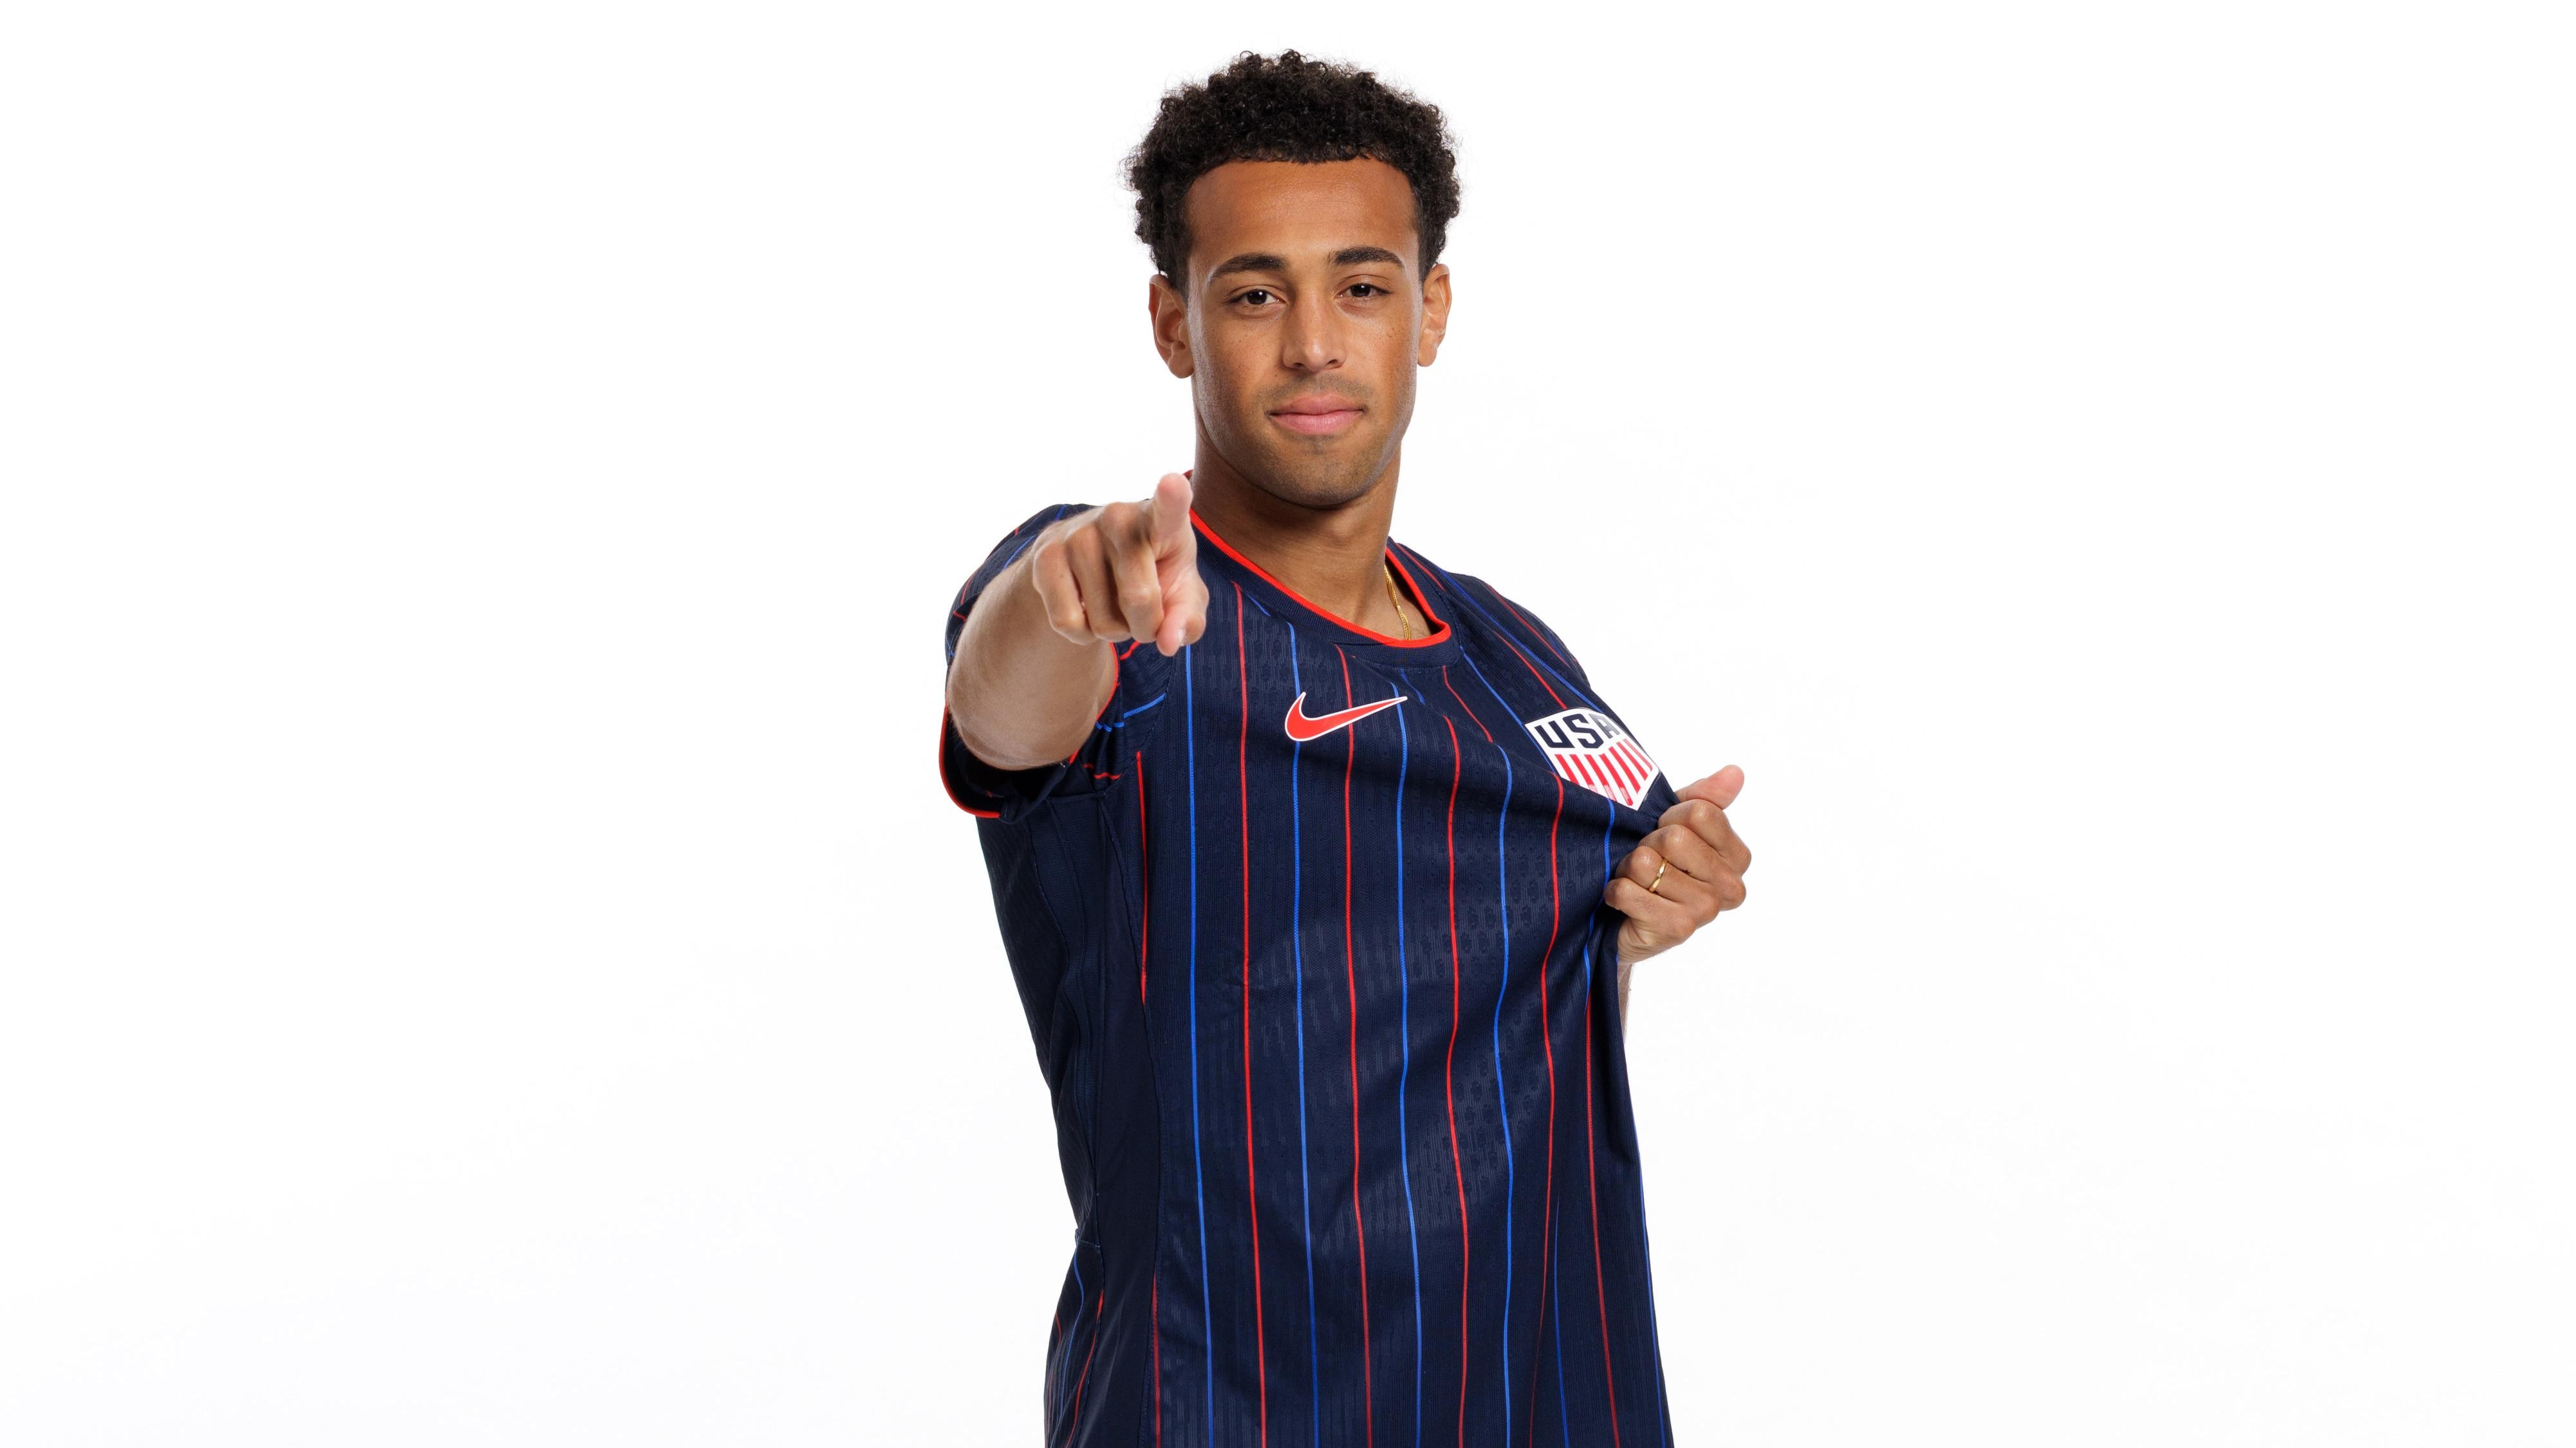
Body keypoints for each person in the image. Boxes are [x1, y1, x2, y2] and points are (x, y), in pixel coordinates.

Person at [938, 50, 1751, 1446]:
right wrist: (1061, 597)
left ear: (1428, 312)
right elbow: (1000, 721)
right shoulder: (1126, 606)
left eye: (1361, 287)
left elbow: (1526, 1019)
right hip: (1225, 1407)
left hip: (1554, 1397)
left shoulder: (1515, 654)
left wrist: (1645, 914)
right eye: (1255, 293)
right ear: (1174, 322)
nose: (1313, 341)